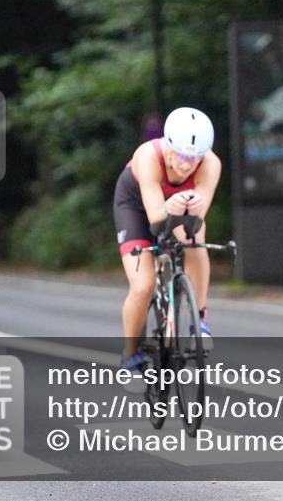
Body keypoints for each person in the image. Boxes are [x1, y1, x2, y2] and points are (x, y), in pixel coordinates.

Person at [113, 107, 222, 374]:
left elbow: (194, 223)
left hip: (176, 208)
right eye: (182, 155)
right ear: (169, 146)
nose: (187, 164)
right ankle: (131, 354)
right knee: (143, 285)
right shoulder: (149, 156)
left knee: (196, 239)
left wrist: (193, 209)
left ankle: (198, 316)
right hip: (137, 208)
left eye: (195, 158)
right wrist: (171, 206)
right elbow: (156, 221)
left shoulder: (211, 164)